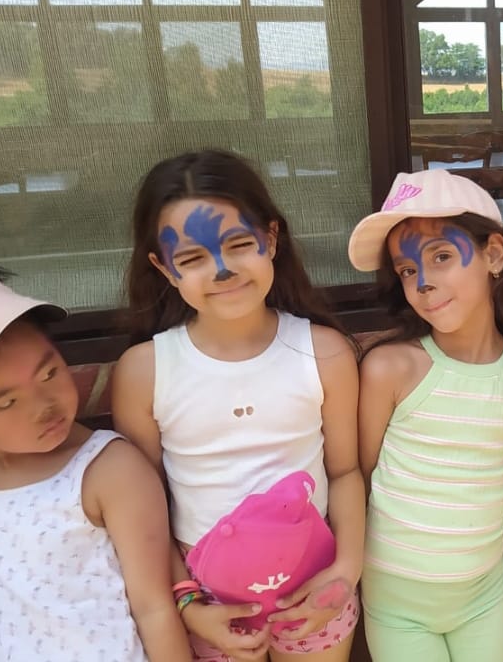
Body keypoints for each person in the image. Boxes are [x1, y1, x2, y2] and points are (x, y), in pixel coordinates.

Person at [112, 149, 364, 662]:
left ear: (270, 238)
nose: (222, 270)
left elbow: (345, 472)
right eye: (192, 259)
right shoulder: (143, 372)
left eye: (239, 244)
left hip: (316, 590)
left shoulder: (325, 353)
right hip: (206, 603)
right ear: (163, 268)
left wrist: (346, 571)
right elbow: (146, 511)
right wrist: (186, 603)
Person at [0, 266, 191, 662]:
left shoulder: (108, 471)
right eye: (6, 403)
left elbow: (154, 608)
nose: (45, 406)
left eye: (50, 372)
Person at [347, 169, 503, 662]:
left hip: (483, 595)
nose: (423, 282)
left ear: (493, 254)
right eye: (407, 271)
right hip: (397, 602)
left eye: (442, 256)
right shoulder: (390, 369)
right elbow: (362, 475)